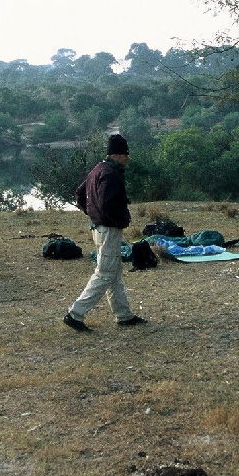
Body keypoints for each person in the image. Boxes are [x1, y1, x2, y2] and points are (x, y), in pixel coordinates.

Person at [63, 134, 146, 331]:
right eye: (125, 154)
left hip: (100, 228)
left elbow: (80, 194)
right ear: (116, 154)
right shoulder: (110, 174)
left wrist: (92, 214)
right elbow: (107, 204)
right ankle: (75, 314)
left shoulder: (97, 169)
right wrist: (121, 220)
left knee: (114, 273)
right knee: (104, 274)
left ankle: (123, 315)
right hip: (109, 229)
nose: (127, 158)